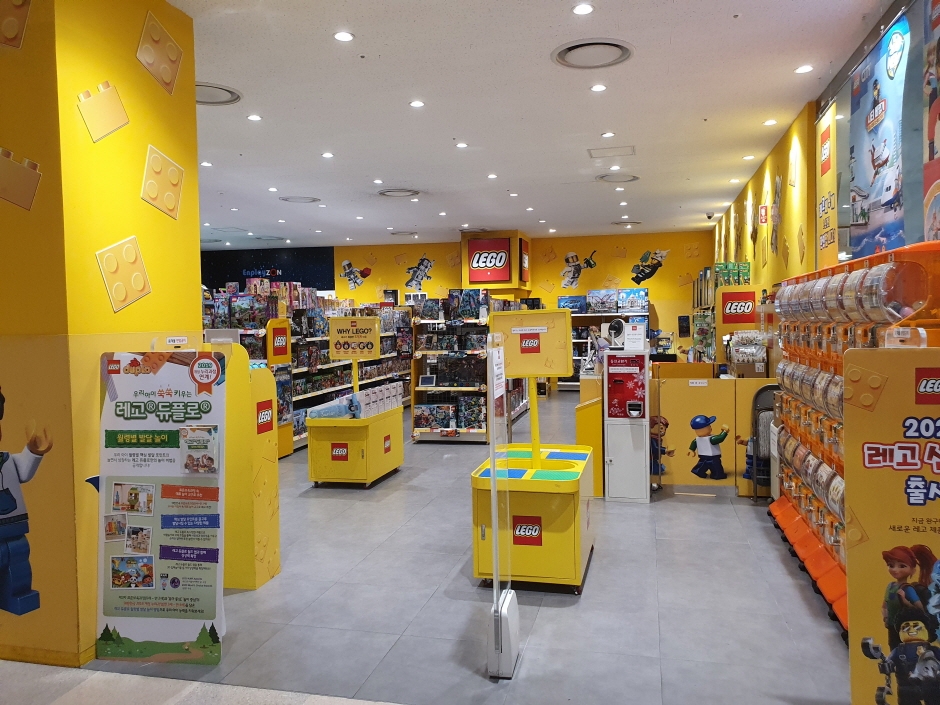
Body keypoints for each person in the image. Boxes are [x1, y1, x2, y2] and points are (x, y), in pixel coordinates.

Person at [0, 386, 53, 615]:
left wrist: (33, 452)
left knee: (17, 557)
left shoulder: (6, 460)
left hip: (14, 527)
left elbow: (23, 471)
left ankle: (17, 592)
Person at [883, 545, 939, 650]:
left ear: (913, 570)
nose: (895, 570)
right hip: (891, 625)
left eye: (902, 566)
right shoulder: (890, 586)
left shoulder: (908, 589)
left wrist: (905, 601)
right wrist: (886, 617)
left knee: (907, 650)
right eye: (891, 565)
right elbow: (885, 604)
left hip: (907, 627)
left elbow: (920, 609)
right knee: (894, 648)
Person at [687, 414, 728, 480]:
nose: (710, 428)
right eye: (709, 426)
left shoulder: (697, 439)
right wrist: (725, 432)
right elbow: (720, 438)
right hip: (713, 458)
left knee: (702, 465)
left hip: (702, 457)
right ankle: (718, 475)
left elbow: (694, 444)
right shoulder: (711, 439)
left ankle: (698, 471)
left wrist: (691, 450)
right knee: (716, 467)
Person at [649, 416, 674, 492]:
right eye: (660, 428)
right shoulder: (652, 439)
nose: (662, 430)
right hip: (650, 459)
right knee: (656, 469)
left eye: (663, 428)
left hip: (654, 458)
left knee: (657, 469)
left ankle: (654, 483)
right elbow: (655, 448)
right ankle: (653, 483)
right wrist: (665, 450)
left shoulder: (657, 438)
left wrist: (666, 451)